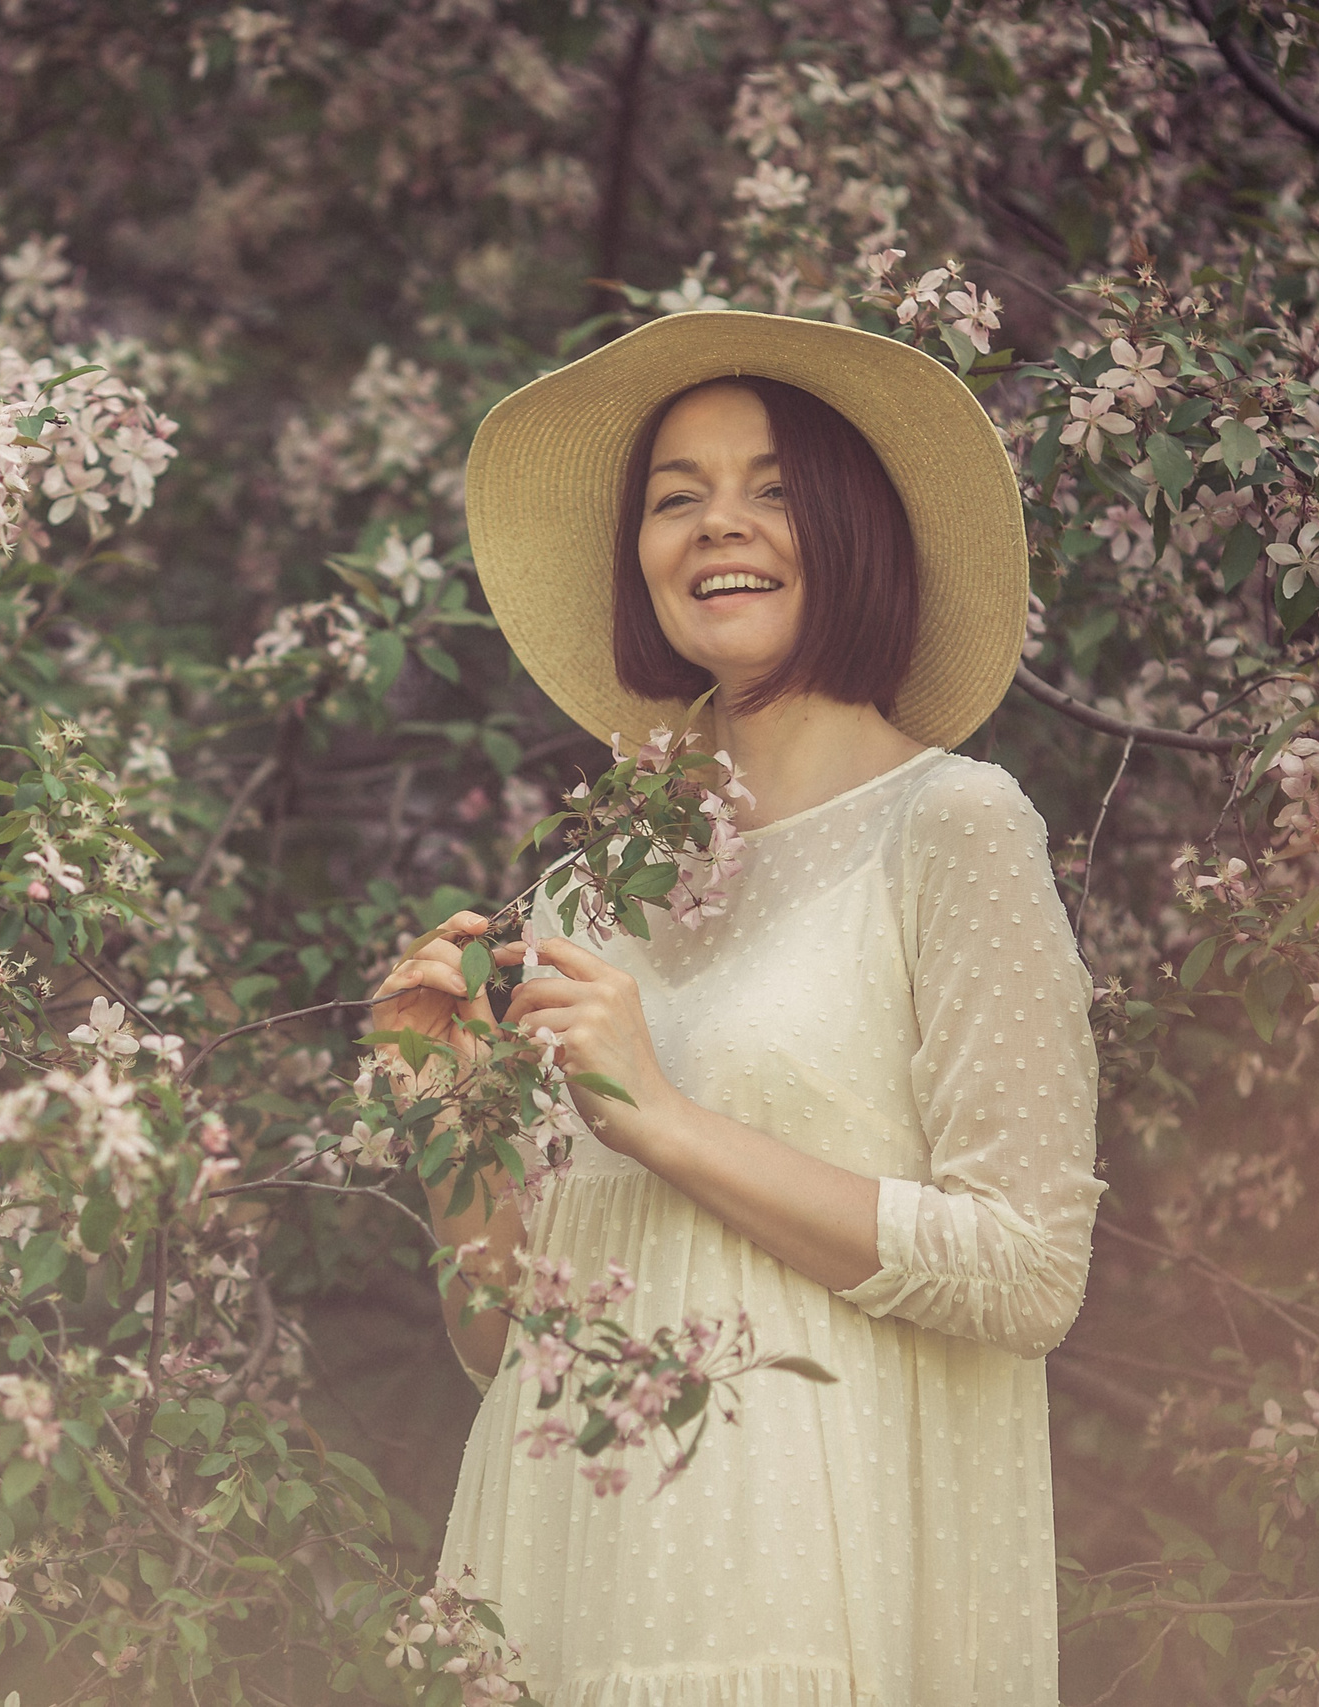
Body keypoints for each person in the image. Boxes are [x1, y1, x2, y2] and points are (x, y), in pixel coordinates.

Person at [373, 309, 1106, 1706]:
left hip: (807, 1594)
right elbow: (512, 1347)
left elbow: (1029, 1273)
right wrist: (452, 1123)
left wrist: (660, 1115)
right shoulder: (590, 891)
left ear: (853, 532)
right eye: (677, 498)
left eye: (772, 489)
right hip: (567, 1591)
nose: (722, 526)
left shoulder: (951, 828)